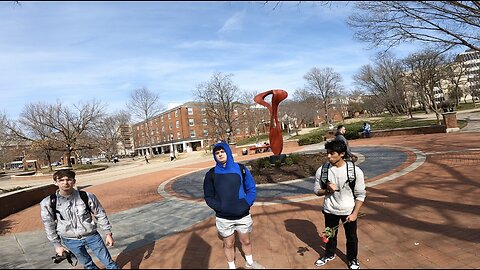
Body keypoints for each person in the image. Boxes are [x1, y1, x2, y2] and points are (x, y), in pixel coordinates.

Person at [203, 142, 265, 269]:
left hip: (242, 215)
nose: (220, 155)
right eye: (217, 153)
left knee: (246, 241)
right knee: (229, 244)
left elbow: (251, 188)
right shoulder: (211, 174)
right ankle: (231, 266)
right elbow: (208, 196)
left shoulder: (241, 169)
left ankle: (250, 262)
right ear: (215, 156)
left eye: (222, 152)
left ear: (228, 152)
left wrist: (246, 203)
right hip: (224, 217)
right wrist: (220, 207)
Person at [40, 169, 119, 269]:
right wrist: (57, 245)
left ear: (74, 181)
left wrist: (108, 233)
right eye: (61, 180)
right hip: (70, 240)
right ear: (55, 182)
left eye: (69, 179)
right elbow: (49, 225)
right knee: (88, 265)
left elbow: (100, 214)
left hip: (92, 236)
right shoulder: (48, 202)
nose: (65, 183)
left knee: (109, 263)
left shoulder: (86, 196)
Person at [313, 140, 366, 269]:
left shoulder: (354, 171)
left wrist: (355, 213)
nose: (328, 156)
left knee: (351, 237)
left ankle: (352, 259)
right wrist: (327, 190)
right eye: (327, 153)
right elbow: (316, 190)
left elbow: (360, 195)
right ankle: (329, 254)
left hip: (349, 210)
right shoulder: (323, 170)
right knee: (330, 234)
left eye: (332, 153)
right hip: (330, 209)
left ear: (342, 154)